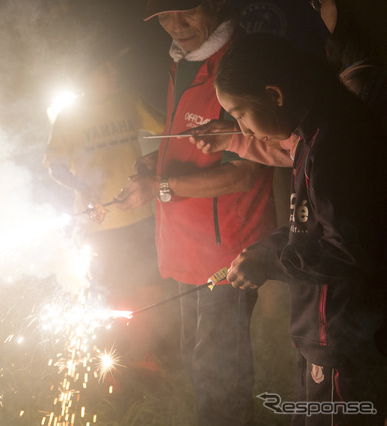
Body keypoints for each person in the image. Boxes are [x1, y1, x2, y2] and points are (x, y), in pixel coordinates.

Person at [115, 1, 277, 424]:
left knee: (219, 372)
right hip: (188, 246)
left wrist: (161, 187)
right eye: (164, 17)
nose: (175, 25)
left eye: (186, 12)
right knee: (196, 358)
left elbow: (243, 174)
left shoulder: (239, 64)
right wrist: (149, 168)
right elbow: (182, 141)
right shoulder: (183, 64)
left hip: (228, 252)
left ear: (215, 5)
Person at [215, 32, 387, 426]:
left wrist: (271, 265)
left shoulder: (335, 142)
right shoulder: (313, 133)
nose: (240, 127)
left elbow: (350, 250)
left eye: (240, 112)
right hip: (322, 333)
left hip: (343, 334)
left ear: (274, 94)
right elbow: (307, 222)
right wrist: (263, 251)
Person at [43, 36, 168, 368]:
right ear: (85, 79)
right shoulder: (69, 117)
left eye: (113, 66)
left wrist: (153, 163)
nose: (114, 72)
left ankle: (142, 355)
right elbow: (54, 164)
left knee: (149, 289)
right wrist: (81, 186)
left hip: (140, 215)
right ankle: (109, 365)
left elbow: (169, 132)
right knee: (111, 296)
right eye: (104, 68)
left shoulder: (128, 101)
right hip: (97, 224)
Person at [189, 0, 387, 164]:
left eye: (240, 115)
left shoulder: (351, 109)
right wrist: (234, 138)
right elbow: (296, 148)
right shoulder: (313, 129)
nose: (246, 131)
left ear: (276, 95)